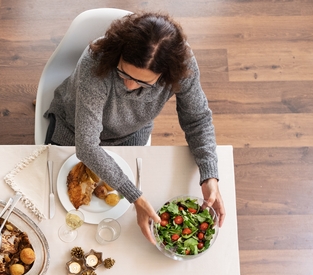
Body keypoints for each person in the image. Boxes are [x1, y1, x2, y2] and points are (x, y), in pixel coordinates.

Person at [44, 11, 225, 243]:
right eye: (123, 73)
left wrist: (210, 175)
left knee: (127, 213)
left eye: (142, 83)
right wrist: (134, 196)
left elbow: (197, 119)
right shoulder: (96, 59)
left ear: (165, 75)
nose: (129, 86)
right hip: (73, 129)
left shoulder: (183, 65)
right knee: (57, 209)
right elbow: (87, 146)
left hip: (132, 133)